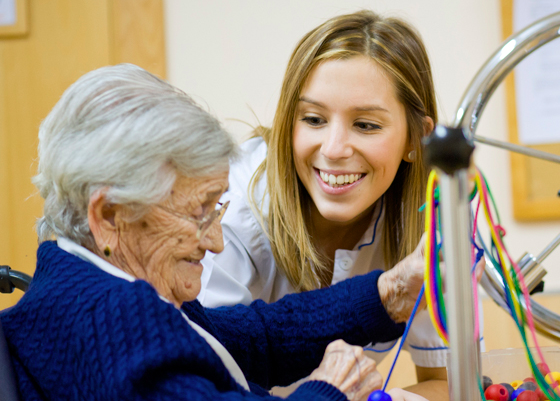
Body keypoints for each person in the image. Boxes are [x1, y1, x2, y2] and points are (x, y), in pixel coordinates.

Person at [0, 65, 429, 401]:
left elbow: (258, 336)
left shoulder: (84, 283)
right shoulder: (114, 321)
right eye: (199, 212)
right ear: (110, 215)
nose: (216, 240)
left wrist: (389, 294)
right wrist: (331, 390)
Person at [199, 11, 475, 399]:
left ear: (419, 140)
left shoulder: (433, 223)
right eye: (313, 119)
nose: (333, 149)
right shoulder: (232, 210)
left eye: (366, 125)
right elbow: (206, 381)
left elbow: (453, 384)